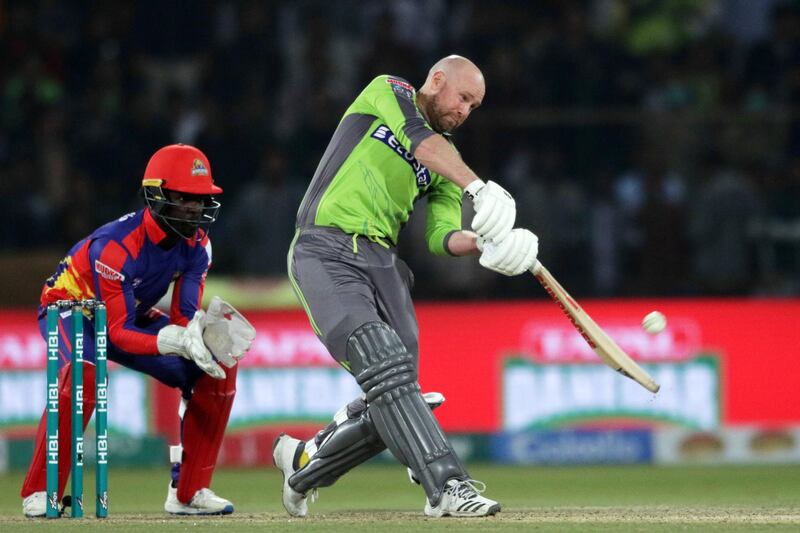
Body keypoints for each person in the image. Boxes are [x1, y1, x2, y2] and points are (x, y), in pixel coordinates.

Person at [273, 55, 539, 518]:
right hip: (325, 248)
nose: (465, 111)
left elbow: (441, 237)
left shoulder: (448, 163)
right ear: (437, 80)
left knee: (396, 397)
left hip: (382, 264)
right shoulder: (389, 91)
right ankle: (448, 487)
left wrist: (483, 244)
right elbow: (421, 143)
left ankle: (301, 468)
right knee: (390, 371)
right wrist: (480, 186)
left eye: (474, 106)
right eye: (463, 98)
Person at [21, 144, 254, 517]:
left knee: (218, 365)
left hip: (130, 313)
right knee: (83, 376)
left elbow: (184, 315)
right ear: (157, 196)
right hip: (69, 308)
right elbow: (115, 333)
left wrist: (197, 336)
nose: (196, 209)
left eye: (201, 199)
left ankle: (188, 492)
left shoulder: (198, 246)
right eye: (186, 199)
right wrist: (173, 340)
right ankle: (40, 492)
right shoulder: (114, 247)